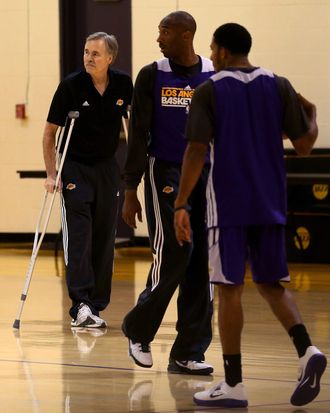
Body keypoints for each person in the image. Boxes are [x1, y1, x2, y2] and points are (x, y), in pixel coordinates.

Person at [174, 23, 327, 407]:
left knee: (229, 290)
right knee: (273, 285)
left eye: (211, 48)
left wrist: (180, 203)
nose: (210, 55)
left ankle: (234, 383)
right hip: (271, 203)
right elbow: (306, 146)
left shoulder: (210, 90)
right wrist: (311, 115)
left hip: (228, 205)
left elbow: (195, 150)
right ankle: (307, 350)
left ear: (223, 51)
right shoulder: (279, 84)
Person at [121, 11, 214, 375]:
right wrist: (131, 188)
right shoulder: (151, 74)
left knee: (201, 262)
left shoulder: (211, 73)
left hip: (205, 174)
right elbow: (138, 133)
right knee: (176, 251)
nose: (158, 37)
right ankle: (138, 330)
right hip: (165, 171)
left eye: (165, 31)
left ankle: (189, 351)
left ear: (186, 33)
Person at [43, 32, 133, 328]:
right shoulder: (71, 86)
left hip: (107, 167)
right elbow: (49, 134)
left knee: (105, 236)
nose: (88, 58)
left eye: (95, 54)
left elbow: (132, 126)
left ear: (110, 58)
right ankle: (80, 304)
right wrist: (51, 174)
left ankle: (96, 304)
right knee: (79, 235)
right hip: (75, 168)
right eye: (85, 52)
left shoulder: (122, 84)